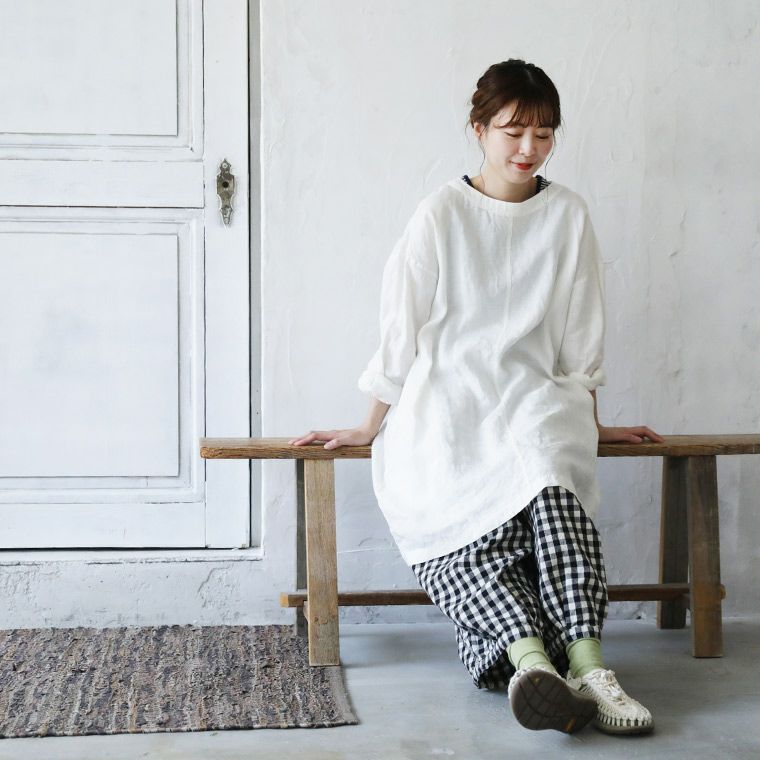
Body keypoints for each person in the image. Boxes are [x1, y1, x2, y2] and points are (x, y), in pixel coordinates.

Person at [289, 58, 664, 736]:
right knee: (464, 501)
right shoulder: (441, 213)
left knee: (550, 478)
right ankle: (534, 662)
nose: (529, 148)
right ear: (478, 129)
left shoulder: (568, 214)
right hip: (449, 395)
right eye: (513, 131)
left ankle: (582, 668)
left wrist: (592, 423)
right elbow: (401, 330)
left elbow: (581, 334)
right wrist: (368, 425)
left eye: (544, 134)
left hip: (535, 395)